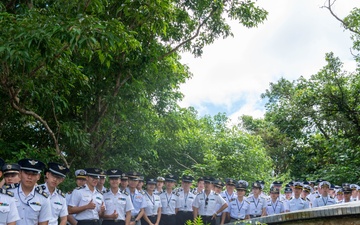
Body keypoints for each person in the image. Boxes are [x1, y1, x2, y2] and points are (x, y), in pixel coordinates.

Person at [11, 158, 52, 225]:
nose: (29, 177)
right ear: (20, 174)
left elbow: (43, 223)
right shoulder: (8, 193)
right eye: (26, 173)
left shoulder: (43, 198)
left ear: (38, 177)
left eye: (33, 174)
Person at [0, 157, 21, 225]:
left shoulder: (26, 191)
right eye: (7, 176)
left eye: (13, 176)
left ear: (20, 176)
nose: (9, 178)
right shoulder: (4, 191)